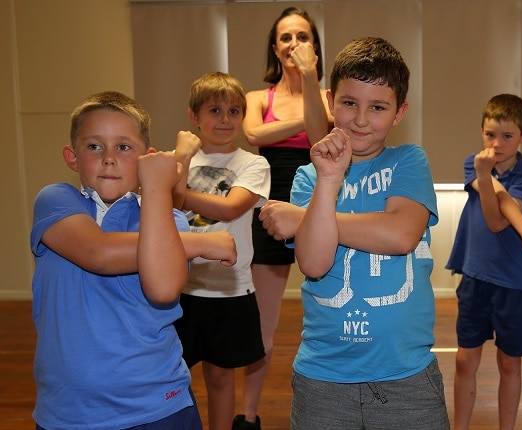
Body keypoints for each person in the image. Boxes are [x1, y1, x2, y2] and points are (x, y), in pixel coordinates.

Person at [30, 91, 237, 430]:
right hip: (69, 412)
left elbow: (163, 289)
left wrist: (157, 186)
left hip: (157, 408)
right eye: (94, 146)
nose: (109, 158)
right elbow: (98, 253)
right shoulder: (56, 200)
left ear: (147, 158)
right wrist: (197, 244)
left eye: (124, 147)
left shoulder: (168, 219)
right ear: (72, 156)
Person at [285, 36, 449, 430]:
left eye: (377, 107)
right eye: (349, 103)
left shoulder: (409, 160)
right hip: (323, 377)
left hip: (406, 374)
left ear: (398, 112)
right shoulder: (309, 176)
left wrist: (305, 220)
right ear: (329, 101)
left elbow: (399, 235)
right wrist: (328, 179)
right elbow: (313, 261)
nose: (361, 119)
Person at [239, 7, 333, 427]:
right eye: (285, 38)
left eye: (302, 36)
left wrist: (311, 81)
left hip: (320, 205)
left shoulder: (329, 97)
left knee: (332, 313)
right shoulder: (259, 99)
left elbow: (319, 138)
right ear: (275, 49)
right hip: (272, 210)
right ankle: (248, 415)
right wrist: (315, 118)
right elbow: (255, 134)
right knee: (264, 326)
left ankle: (336, 407)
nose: (293, 44)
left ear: (314, 44)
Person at [172, 72, 271, 430]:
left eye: (234, 111)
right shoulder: (179, 160)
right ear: (194, 117)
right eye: (214, 110)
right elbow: (156, 200)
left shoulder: (253, 164)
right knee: (172, 379)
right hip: (177, 288)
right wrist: (181, 158)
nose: (225, 119)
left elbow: (231, 208)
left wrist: (175, 191)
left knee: (219, 377)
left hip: (228, 287)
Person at [445, 94, 522, 430]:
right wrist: (482, 171)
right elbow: (496, 211)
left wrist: (485, 175)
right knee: (464, 361)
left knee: (510, 364)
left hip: (513, 284)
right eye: (490, 134)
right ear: (481, 132)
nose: (497, 143)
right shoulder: (471, 163)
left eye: (507, 136)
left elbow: (496, 216)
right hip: (475, 277)